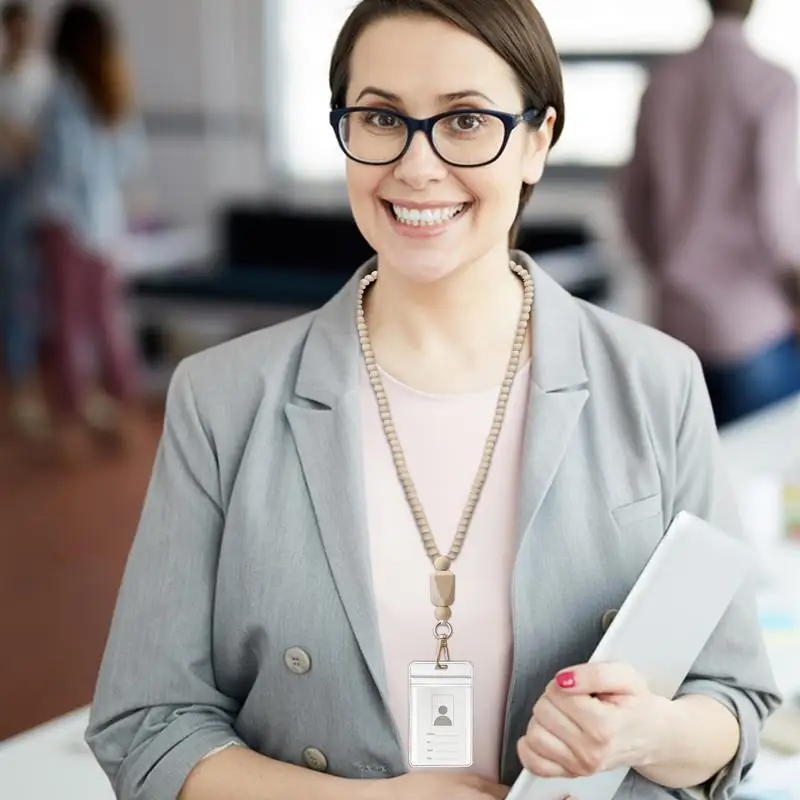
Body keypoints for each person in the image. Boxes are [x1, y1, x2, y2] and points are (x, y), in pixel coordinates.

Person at [85, 1, 780, 799]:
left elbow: (735, 700)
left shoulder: (656, 381)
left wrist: (648, 730)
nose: (417, 167)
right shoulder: (222, 400)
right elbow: (148, 723)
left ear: (537, 140)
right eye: (381, 117)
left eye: (466, 121)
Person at [619, 0, 800, 428]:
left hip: (675, 320)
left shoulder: (664, 82)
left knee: (687, 481)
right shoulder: (772, 84)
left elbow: (632, 201)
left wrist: (666, 264)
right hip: (753, 326)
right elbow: (779, 214)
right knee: (762, 478)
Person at [31, 0, 145, 453]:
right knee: (105, 322)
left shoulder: (63, 93)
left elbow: (61, 167)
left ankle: (71, 423)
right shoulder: (111, 90)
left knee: (65, 325)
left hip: (67, 224)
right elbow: (129, 161)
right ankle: (118, 411)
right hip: (103, 227)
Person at [0, 1, 51, 437]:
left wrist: (17, 137)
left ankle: (25, 386)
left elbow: (42, 141)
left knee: (21, 290)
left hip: (26, 194)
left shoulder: (42, 78)